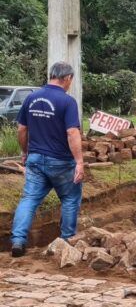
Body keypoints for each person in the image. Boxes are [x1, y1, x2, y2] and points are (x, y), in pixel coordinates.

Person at [10, 62, 85, 257]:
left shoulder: (31, 98)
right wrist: (79, 162)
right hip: (61, 162)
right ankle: (67, 240)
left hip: (35, 160)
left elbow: (21, 129)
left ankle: (18, 241)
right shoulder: (67, 102)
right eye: (71, 80)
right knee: (70, 198)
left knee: (29, 199)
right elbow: (72, 132)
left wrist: (25, 152)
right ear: (67, 78)